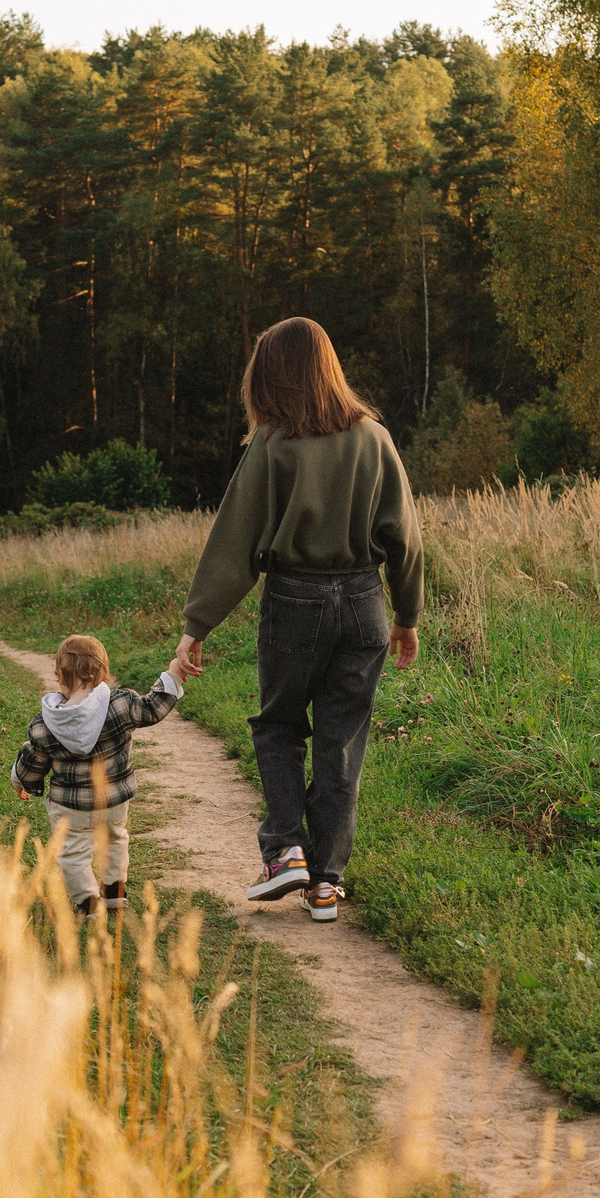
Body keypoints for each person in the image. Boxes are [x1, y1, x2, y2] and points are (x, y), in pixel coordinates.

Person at [176, 317, 421, 923]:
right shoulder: (375, 438)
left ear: (273, 377)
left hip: (295, 601)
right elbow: (406, 538)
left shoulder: (273, 444)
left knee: (278, 724)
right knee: (342, 741)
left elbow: (235, 541)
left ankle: (287, 851)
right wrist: (407, 615)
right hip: (366, 604)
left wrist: (196, 626)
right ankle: (327, 884)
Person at [11, 634, 193, 917]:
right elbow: (153, 709)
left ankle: (87, 902)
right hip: (114, 800)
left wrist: (25, 782)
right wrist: (173, 675)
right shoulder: (121, 705)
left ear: (60, 675)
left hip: (71, 806)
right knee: (115, 839)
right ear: (104, 672)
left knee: (73, 852)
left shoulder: (45, 724)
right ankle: (114, 893)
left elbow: (35, 762)